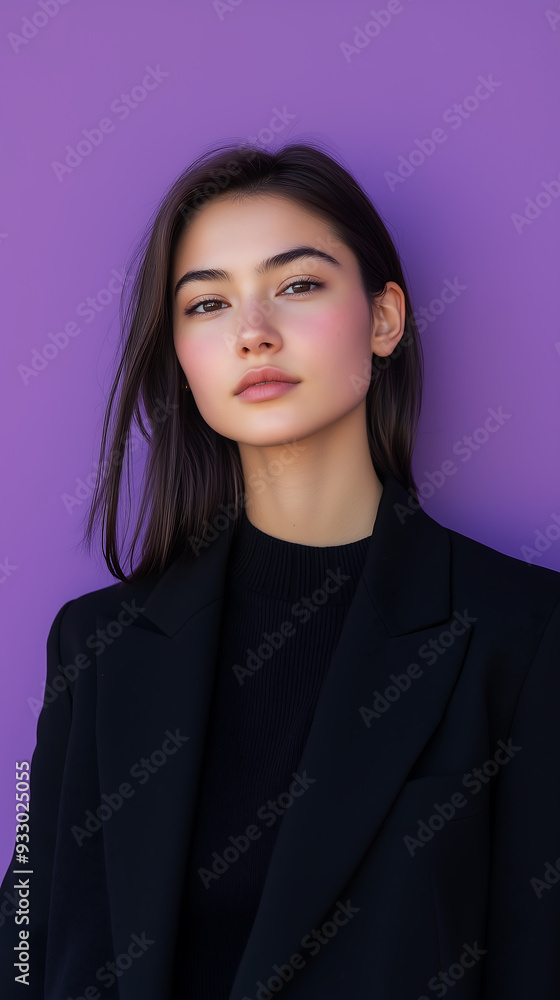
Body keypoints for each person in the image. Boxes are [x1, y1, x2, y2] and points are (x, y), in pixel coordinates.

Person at [1, 139, 559, 1000]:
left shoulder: (522, 634)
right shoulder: (97, 645)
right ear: (183, 361)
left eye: (297, 285)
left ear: (384, 319)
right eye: (207, 303)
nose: (252, 333)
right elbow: (28, 954)